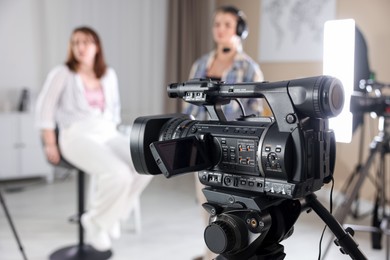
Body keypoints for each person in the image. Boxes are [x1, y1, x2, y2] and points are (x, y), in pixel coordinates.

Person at [35, 26, 152, 251]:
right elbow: (45, 110)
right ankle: (95, 221)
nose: (80, 47)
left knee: (147, 163)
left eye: (86, 42)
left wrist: (118, 135)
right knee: (118, 175)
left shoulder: (108, 74)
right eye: (76, 42)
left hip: (107, 131)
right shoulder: (62, 73)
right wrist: (50, 142)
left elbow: (114, 110)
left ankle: (113, 216)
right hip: (76, 135)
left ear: (96, 46)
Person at [184, 6, 265, 260]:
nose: (220, 29)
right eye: (217, 24)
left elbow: (255, 113)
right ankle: (211, 254)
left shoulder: (250, 68)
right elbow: (188, 104)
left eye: (227, 25)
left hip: (233, 146)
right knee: (206, 203)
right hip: (201, 143)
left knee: (233, 206)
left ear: (239, 30)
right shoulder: (200, 64)